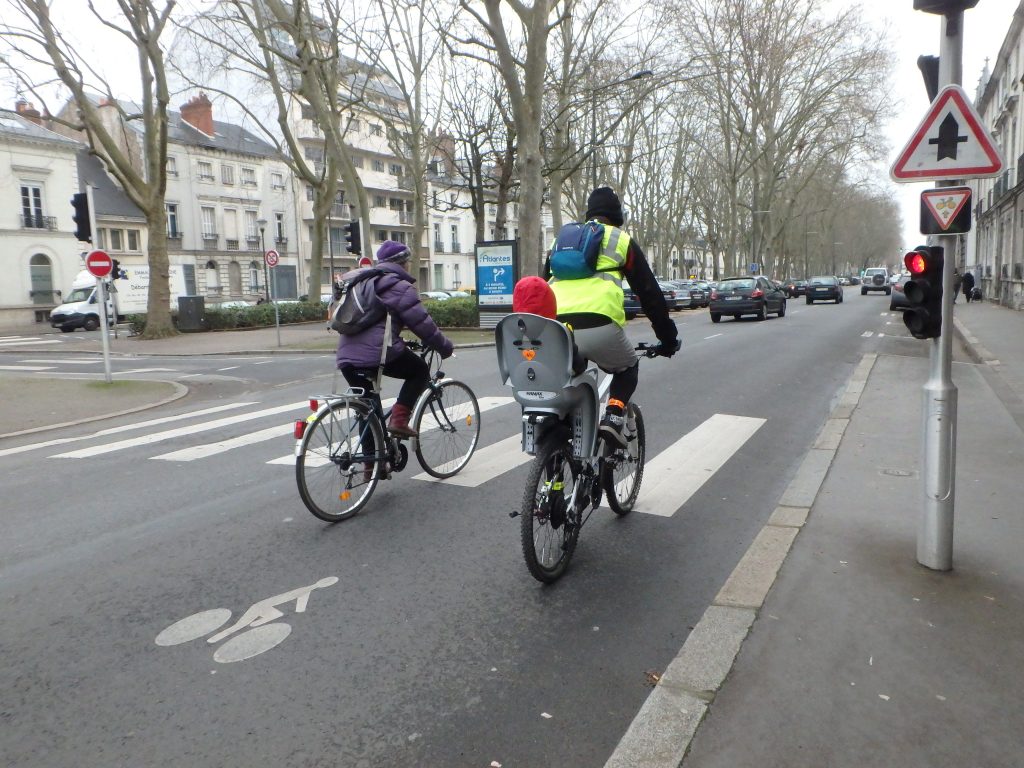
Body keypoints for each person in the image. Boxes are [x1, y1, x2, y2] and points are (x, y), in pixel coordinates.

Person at [544, 186, 679, 448]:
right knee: (627, 367)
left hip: (557, 327)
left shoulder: (561, 241)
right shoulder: (620, 240)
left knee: (566, 388)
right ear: (617, 217)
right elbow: (649, 294)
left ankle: (556, 470)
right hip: (599, 323)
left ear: (589, 215)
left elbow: (541, 285)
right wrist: (668, 339)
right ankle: (614, 415)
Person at [335, 240, 453, 437]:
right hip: (376, 355)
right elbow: (422, 324)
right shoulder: (398, 286)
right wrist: (445, 347)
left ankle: (371, 466)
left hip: (346, 357)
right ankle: (399, 420)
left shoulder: (361, 283)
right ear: (403, 263)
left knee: (368, 412)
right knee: (420, 370)